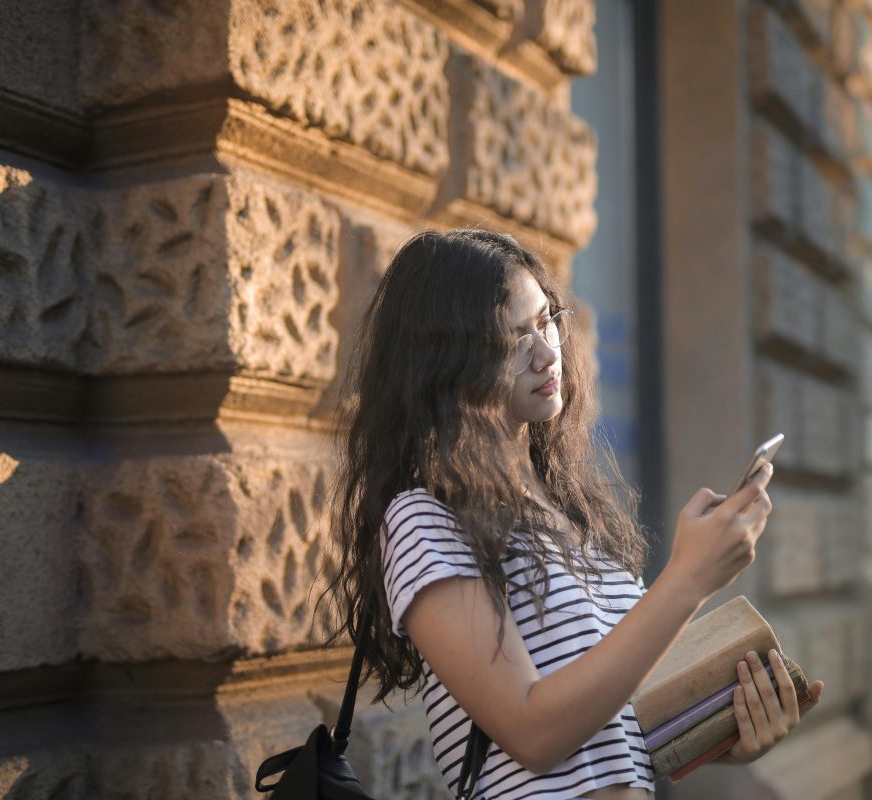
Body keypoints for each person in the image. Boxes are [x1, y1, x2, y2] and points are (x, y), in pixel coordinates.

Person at [324, 229, 823, 800]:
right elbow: (534, 733)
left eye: (545, 320)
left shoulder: (571, 510)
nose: (546, 352)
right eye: (511, 340)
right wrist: (689, 578)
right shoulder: (426, 518)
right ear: (449, 363)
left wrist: (727, 735)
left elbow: (620, 730)